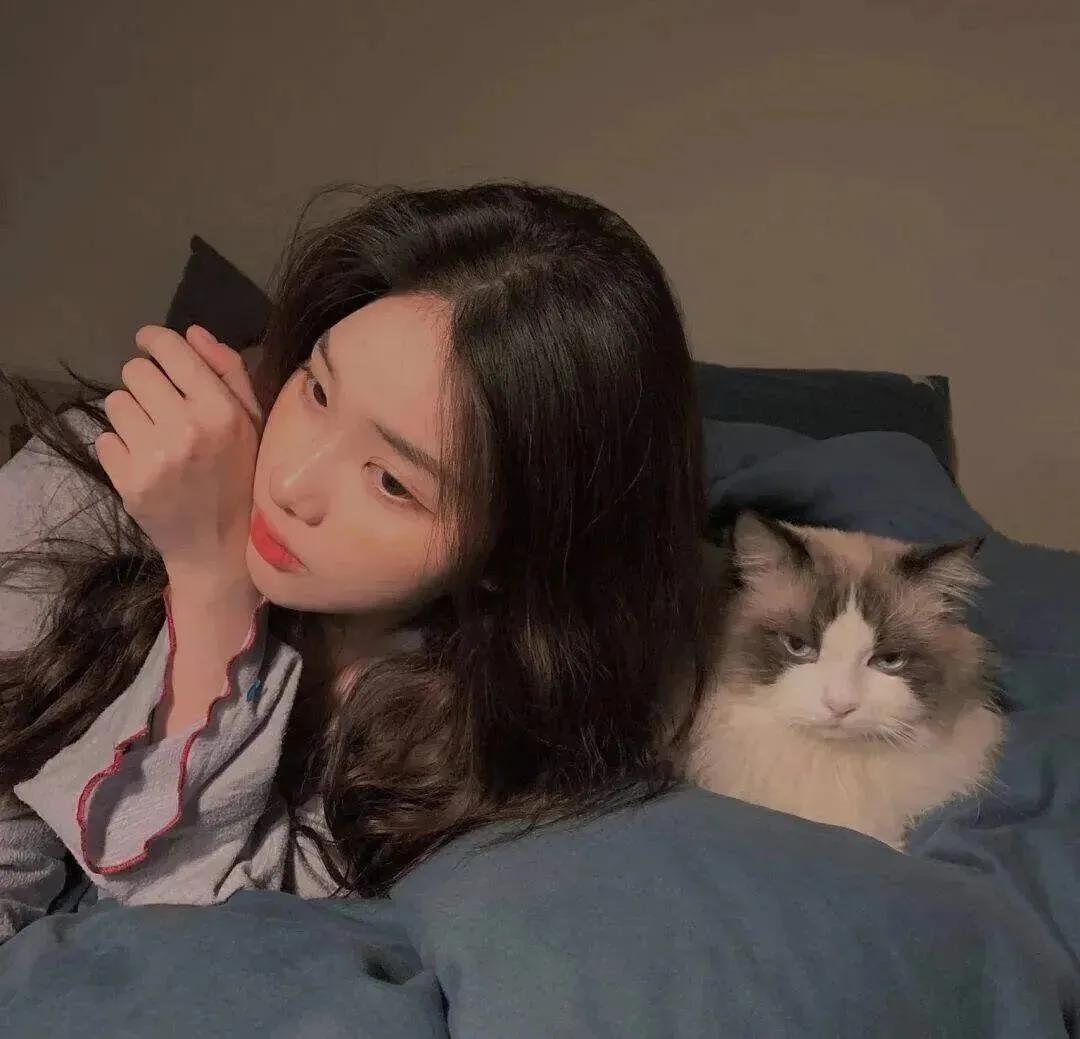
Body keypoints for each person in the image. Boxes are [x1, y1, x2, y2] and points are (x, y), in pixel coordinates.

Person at [0, 181, 712, 942]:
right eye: (316, 389)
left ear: (510, 554)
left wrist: (214, 586)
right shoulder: (98, 478)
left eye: (392, 482)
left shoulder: (483, 729)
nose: (290, 484)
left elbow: (213, 945)